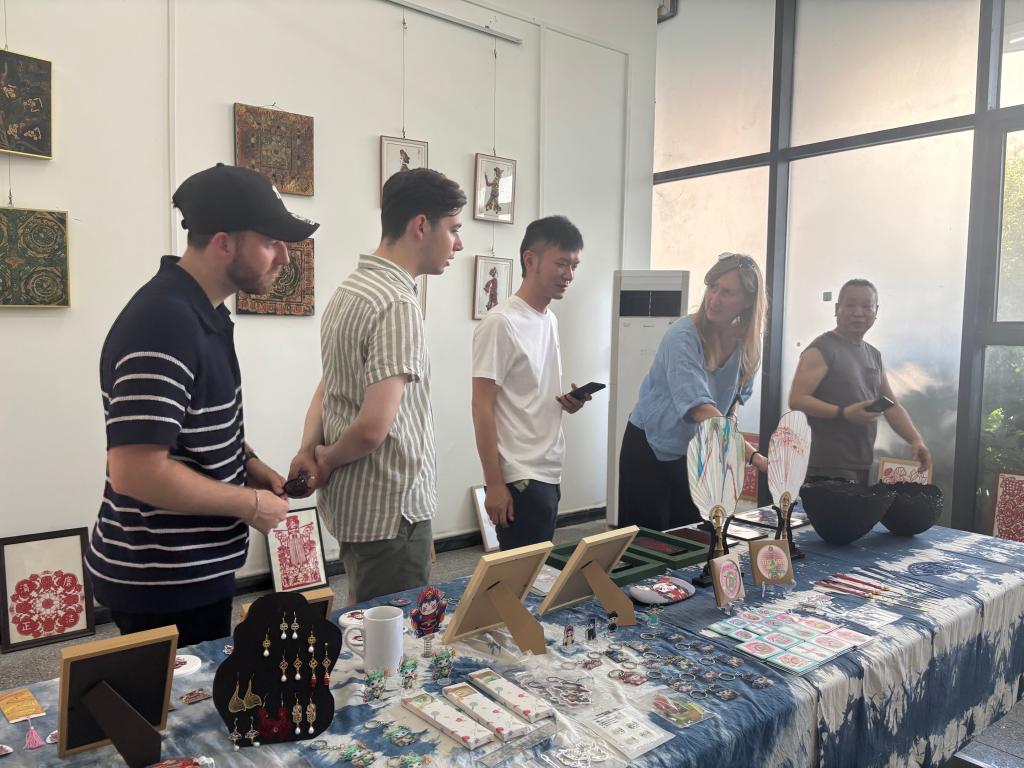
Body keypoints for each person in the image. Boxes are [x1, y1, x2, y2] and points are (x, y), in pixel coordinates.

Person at [87, 163, 317, 646]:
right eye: (271, 242)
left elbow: (187, 427)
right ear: (224, 243)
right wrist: (251, 505)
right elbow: (136, 472)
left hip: (192, 567)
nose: (284, 257)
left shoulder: (200, 311)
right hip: (163, 577)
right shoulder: (164, 322)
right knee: (180, 696)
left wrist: (248, 464)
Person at [289, 168, 466, 604]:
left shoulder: (349, 291)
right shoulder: (397, 303)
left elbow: (328, 387)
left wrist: (309, 448)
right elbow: (372, 428)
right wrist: (326, 457)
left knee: (364, 617)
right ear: (421, 226)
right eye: (454, 229)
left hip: (358, 507)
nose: (458, 244)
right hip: (392, 511)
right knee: (392, 633)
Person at [618, 253, 768, 531]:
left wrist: (729, 448)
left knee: (691, 537)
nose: (714, 299)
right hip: (648, 448)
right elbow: (699, 407)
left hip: (697, 453)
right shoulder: (683, 334)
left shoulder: (748, 345)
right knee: (648, 541)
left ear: (748, 301)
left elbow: (730, 407)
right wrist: (754, 456)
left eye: (727, 292)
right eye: (712, 287)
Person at [471, 216, 589, 550]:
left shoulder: (549, 319)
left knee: (536, 572)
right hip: (519, 474)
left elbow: (531, 391)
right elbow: (481, 407)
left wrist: (568, 401)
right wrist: (494, 484)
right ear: (531, 260)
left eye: (574, 266)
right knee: (518, 576)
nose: (569, 275)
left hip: (549, 468)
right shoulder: (501, 322)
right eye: (561, 264)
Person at [788, 278, 931, 485]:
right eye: (851, 305)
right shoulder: (822, 349)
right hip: (826, 465)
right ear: (837, 309)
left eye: (866, 306)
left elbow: (891, 405)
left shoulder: (873, 354)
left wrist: (915, 439)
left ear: (876, 311)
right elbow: (797, 399)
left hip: (862, 462)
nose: (858, 313)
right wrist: (843, 413)